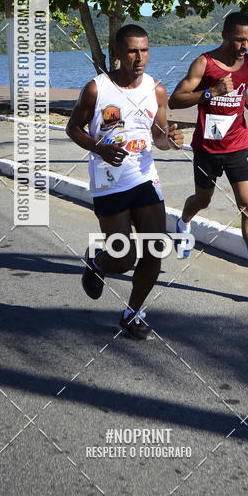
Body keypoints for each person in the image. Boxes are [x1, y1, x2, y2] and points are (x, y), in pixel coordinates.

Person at [66, 24, 183, 340]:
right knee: (123, 256)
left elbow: (158, 137)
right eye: (132, 50)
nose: (140, 57)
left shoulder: (156, 90)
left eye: (144, 50)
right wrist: (100, 147)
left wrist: (170, 138)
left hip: (144, 178)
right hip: (109, 182)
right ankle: (99, 262)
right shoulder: (96, 89)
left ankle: (133, 313)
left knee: (154, 249)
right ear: (117, 53)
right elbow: (73, 128)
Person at [168, 12, 248, 297]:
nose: (244, 47)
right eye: (238, 40)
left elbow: (240, 89)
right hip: (207, 148)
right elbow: (176, 99)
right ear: (224, 36)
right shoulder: (204, 63)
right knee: (202, 200)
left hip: (238, 144)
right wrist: (211, 92)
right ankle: (182, 223)